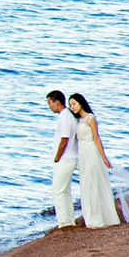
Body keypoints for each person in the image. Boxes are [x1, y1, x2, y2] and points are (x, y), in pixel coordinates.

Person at [70, 93, 122, 228]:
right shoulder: (79, 121)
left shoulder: (90, 118)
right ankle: (91, 216)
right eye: (70, 105)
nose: (72, 107)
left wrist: (104, 157)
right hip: (83, 154)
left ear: (81, 103)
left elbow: (97, 138)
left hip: (91, 152)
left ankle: (98, 218)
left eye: (74, 104)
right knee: (86, 184)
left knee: (93, 182)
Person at [45, 89, 79, 227]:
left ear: (57, 102)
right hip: (69, 159)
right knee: (65, 191)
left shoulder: (64, 117)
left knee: (58, 191)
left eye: (50, 103)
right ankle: (69, 220)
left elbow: (64, 139)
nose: (49, 107)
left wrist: (57, 157)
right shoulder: (68, 116)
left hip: (65, 159)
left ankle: (64, 222)